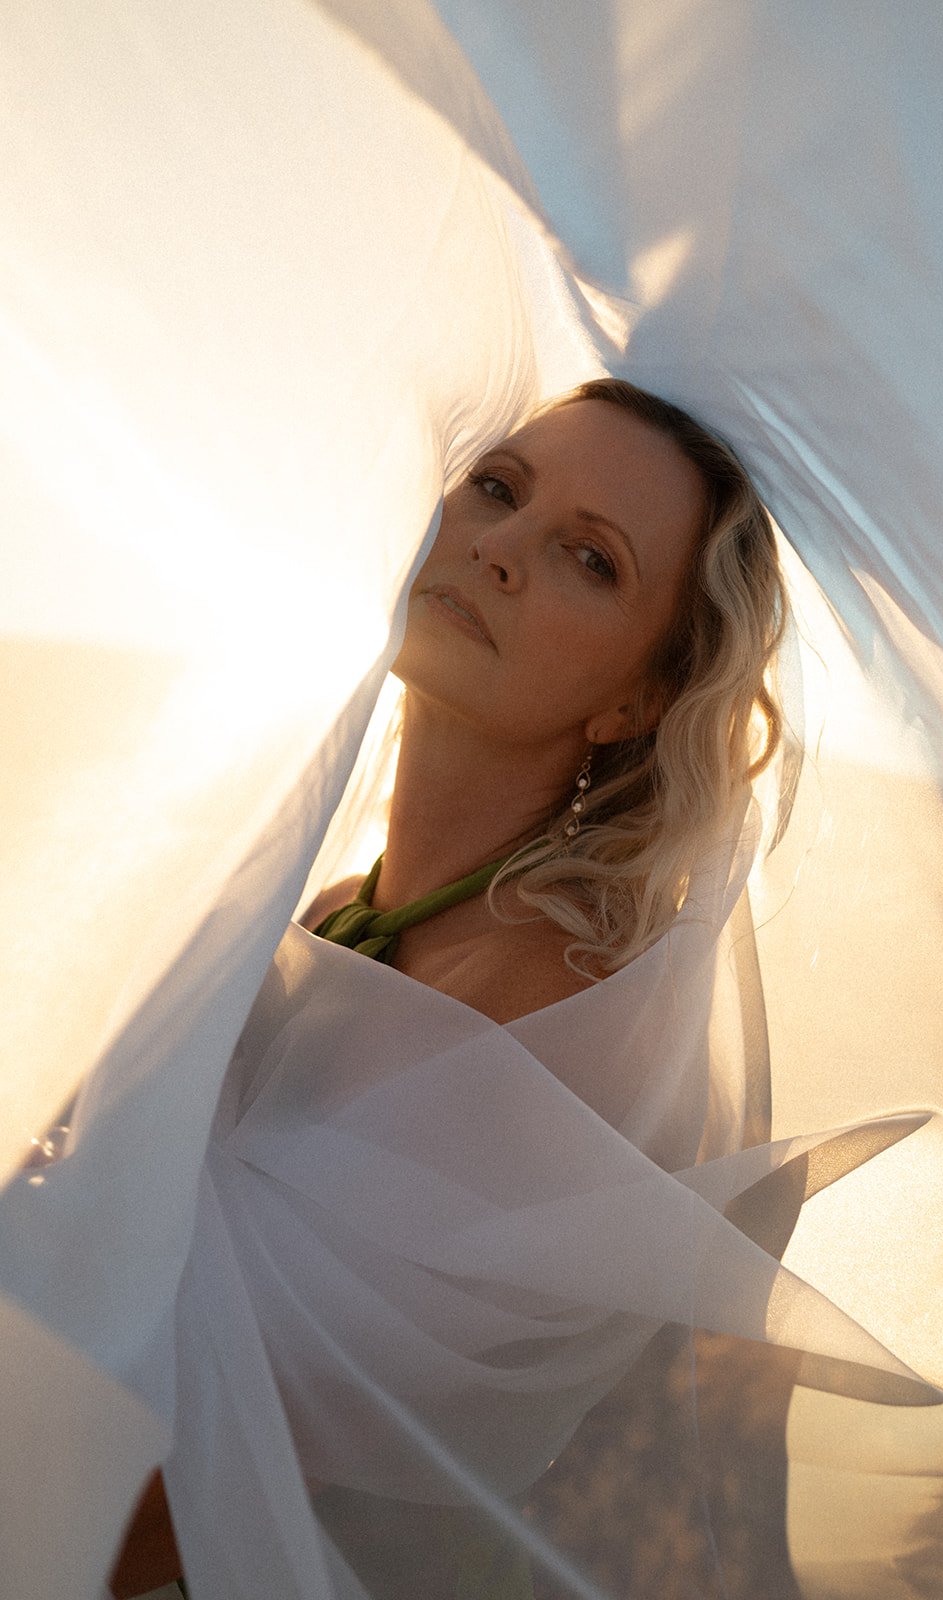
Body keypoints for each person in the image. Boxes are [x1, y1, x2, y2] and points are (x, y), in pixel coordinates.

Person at [109, 377, 787, 1598]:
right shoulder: (341, 910)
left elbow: (227, 1463)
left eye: (590, 557)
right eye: (497, 487)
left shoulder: (548, 1011)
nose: (503, 548)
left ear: (634, 699)